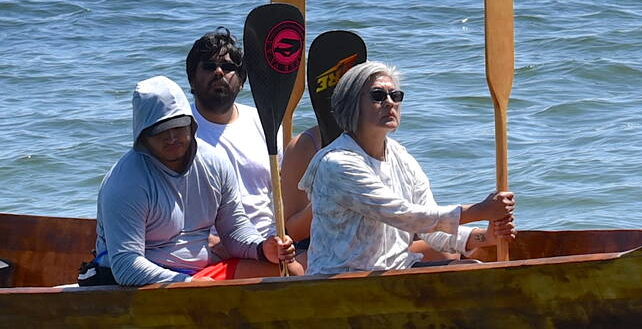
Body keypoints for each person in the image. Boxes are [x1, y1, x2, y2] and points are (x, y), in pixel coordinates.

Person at [300, 61, 515, 276]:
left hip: (394, 272)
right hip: (340, 280)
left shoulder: (401, 157)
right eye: (378, 96)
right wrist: (480, 210)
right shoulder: (337, 164)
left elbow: (430, 231)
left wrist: (485, 237)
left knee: (473, 271)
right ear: (352, 104)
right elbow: (406, 216)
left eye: (396, 95)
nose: (390, 102)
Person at [84, 76, 297, 286]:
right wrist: (185, 282)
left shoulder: (215, 163)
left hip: (199, 275)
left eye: (177, 126)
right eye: (160, 131)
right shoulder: (125, 183)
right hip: (141, 284)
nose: (171, 138)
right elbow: (125, 266)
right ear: (143, 137)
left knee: (291, 270)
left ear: (191, 125)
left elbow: (233, 231)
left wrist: (261, 248)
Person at [185, 28, 276, 240]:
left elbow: (286, 191)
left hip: (266, 242)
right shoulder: (178, 130)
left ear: (242, 80)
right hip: (208, 246)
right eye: (209, 66)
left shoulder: (265, 123)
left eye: (228, 67)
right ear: (191, 79)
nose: (218, 72)